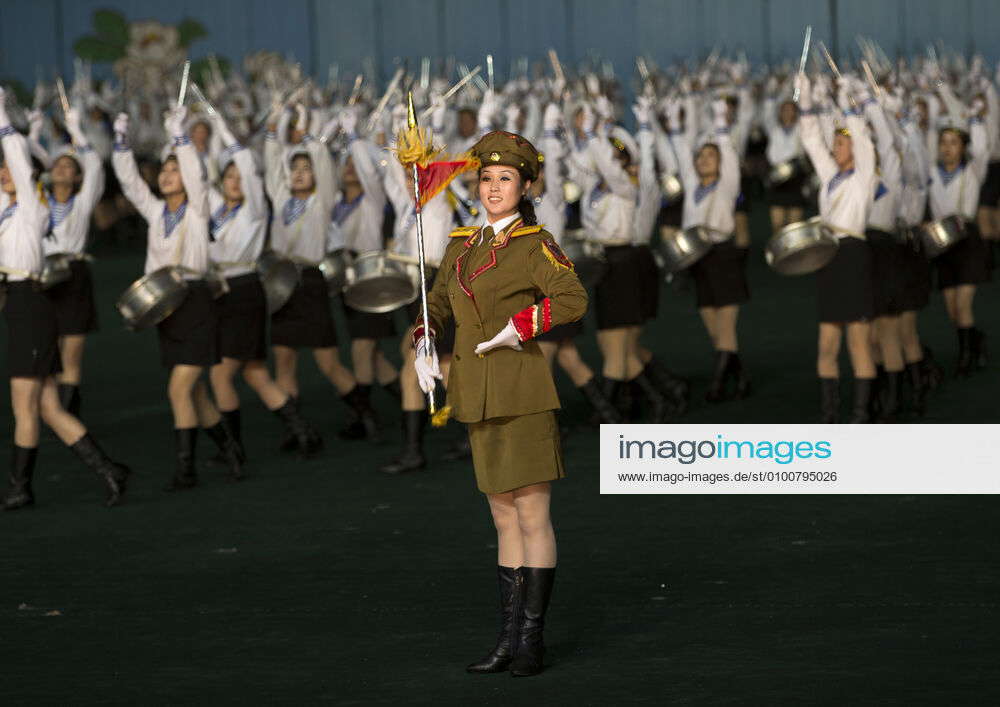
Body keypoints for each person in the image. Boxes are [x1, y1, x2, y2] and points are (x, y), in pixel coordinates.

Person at [412, 130, 587, 677]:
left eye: (505, 178)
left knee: (532, 514)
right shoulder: (460, 244)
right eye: (486, 178)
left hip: (523, 390)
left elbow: (572, 298)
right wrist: (423, 337)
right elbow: (436, 301)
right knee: (502, 516)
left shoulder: (535, 243)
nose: (492, 187)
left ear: (525, 185)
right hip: (477, 395)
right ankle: (507, 639)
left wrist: (520, 327)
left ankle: (532, 640)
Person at [0, 88, 130, 509]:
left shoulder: (31, 210)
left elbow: (19, 158)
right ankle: (109, 470)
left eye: (8, 173)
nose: (5, 175)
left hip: (31, 302)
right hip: (19, 302)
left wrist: (4, 117)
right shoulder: (5, 208)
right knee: (49, 406)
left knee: (26, 402)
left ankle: (21, 487)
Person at [113, 106, 244, 487]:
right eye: (165, 172)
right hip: (165, 306)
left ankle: (186, 468)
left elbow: (198, 176)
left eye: (175, 172)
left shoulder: (198, 211)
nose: (169, 176)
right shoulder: (156, 213)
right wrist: (120, 142)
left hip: (196, 300)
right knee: (196, 392)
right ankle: (232, 449)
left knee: (179, 388)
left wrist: (181, 136)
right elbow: (130, 183)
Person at [205, 110, 322, 459]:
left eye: (240, 176)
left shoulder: (253, 208)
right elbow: (202, 173)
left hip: (242, 292)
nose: (235, 181)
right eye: (229, 176)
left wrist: (222, 128)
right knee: (255, 373)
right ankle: (302, 430)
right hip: (221, 292)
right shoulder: (215, 208)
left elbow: (245, 165)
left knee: (220, 376)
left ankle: (232, 447)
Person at [263, 105, 377, 442]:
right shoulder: (281, 197)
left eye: (306, 169)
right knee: (283, 359)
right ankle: (296, 429)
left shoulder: (322, 201)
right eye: (295, 168)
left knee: (327, 361)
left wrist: (313, 135)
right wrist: (279, 121)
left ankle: (364, 414)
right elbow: (273, 164)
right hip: (281, 281)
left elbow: (324, 167)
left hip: (310, 282)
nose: (299, 173)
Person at [796, 73, 878, 423]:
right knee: (826, 344)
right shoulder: (831, 177)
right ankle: (830, 416)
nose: (835, 148)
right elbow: (812, 141)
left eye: (841, 145)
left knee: (858, 343)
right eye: (836, 144)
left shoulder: (864, 176)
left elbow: (861, 137)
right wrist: (805, 102)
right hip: (829, 256)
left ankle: (861, 416)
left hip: (854, 256)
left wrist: (849, 107)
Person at [668, 93, 751, 401]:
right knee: (714, 328)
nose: (703, 160)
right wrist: (675, 126)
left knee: (726, 328)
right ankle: (741, 377)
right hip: (698, 258)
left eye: (709, 156)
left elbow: (729, 155)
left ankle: (717, 385)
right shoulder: (692, 187)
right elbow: (680, 156)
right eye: (700, 156)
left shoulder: (727, 184)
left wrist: (720, 126)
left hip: (724, 256)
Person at [39, 104, 105, 418]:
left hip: (74, 274)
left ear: (78, 177)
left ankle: (68, 405)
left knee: (73, 347)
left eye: (70, 167)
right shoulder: (39, 203)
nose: (63, 169)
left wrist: (77, 131)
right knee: (47, 340)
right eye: (58, 166)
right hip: (42, 273)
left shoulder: (82, 203)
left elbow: (95, 166)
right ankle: (54, 403)